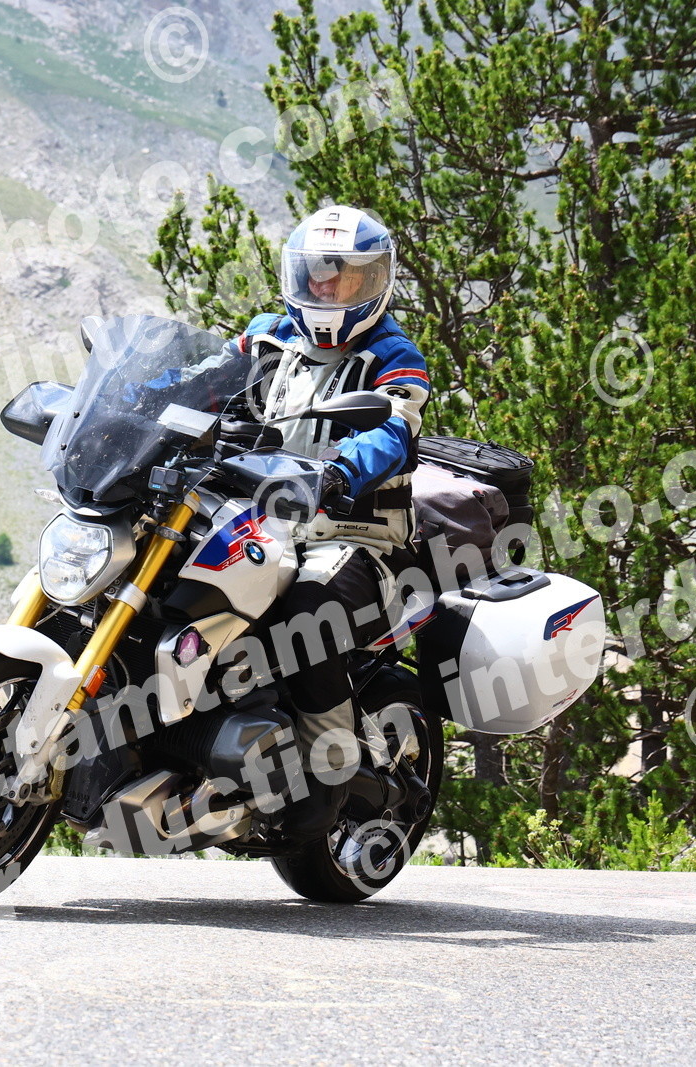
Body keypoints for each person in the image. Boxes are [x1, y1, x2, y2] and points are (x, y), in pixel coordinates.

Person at [236, 205, 431, 839]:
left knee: (306, 612)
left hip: (356, 537)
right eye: (317, 275)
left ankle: (330, 770)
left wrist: (340, 472)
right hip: (263, 522)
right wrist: (140, 401)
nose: (328, 289)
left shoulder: (392, 355)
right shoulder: (266, 336)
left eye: (346, 276)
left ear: (376, 280)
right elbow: (200, 381)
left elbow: (393, 431)